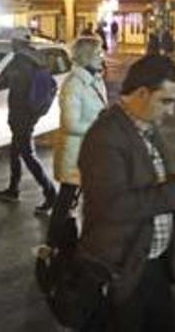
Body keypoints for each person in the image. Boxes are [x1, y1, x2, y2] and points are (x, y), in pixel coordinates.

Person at [78, 55, 175, 331]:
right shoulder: (106, 136)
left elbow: (154, 185)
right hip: (123, 265)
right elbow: (112, 206)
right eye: (165, 101)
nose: (171, 111)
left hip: (150, 261)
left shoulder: (146, 129)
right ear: (142, 93)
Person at [47, 37, 107, 246]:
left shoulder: (95, 80)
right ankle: (53, 245)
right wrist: (99, 127)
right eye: (98, 53)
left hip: (90, 152)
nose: (102, 57)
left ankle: (76, 242)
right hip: (75, 155)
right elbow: (70, 124)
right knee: (66, 199)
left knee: (81, 200)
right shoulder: (73, 85)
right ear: (86, 57)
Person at [0, 34, 57, 213]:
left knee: (28, 155)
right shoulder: (35, 58)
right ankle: (13, 189)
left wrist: (3, 82)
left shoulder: (20, 62)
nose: (11, 44)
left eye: (12, 41)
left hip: (22, 116)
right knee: (15, 152)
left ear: (16, 43)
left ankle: (50, 192)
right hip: (29, 114)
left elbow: (11, 86)